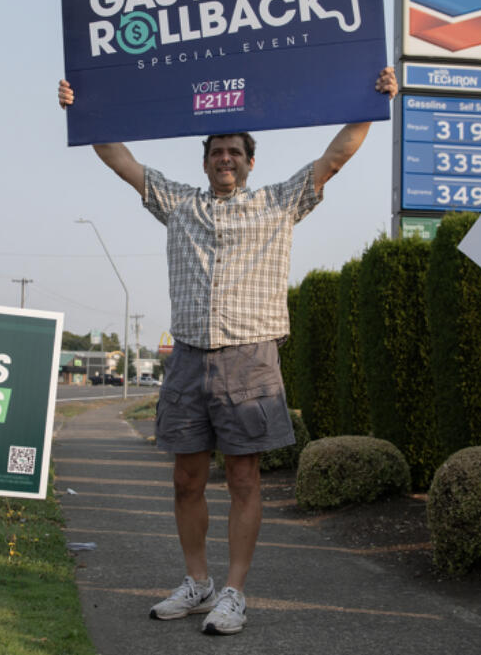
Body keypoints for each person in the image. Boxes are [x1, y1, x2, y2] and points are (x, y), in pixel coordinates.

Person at [58, 67, 398, 634]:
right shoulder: (178, 204)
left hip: (250, 359)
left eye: (235, 151)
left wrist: (373, 100)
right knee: (185, 480)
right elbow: (120, 160)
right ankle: (198, 583)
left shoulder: (279, 203)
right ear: (205, 159)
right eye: (217, 151)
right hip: (189, 359)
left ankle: (234, 591)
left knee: (244, 479)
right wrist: (81, 105)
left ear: (250, 160)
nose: (225, 159)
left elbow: (334, 158)